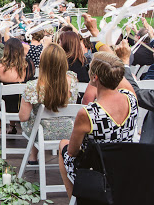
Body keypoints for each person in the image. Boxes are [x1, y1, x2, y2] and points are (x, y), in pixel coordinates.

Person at [58, 51, 138, 198]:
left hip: (96, 171)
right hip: (124, 168)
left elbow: (73, 152)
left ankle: (75, 200)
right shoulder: (131, 98)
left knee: (63, 145)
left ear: (95, 78)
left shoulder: (89, 113)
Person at [19, 43, 79, 163]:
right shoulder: (72, 80)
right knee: (38, 119)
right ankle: (34, 156)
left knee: (35, 119)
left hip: (41, 132)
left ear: (43, 63)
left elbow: (23, 117)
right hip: (68, 130)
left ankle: (33, 156)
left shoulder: (33, 86)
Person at [0, 37, 35, 134]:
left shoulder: (0, 67)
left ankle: (1, 126)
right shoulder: (29, 64)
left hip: (7, 106)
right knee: (16, 96)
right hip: (24, 104)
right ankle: (12, 126)